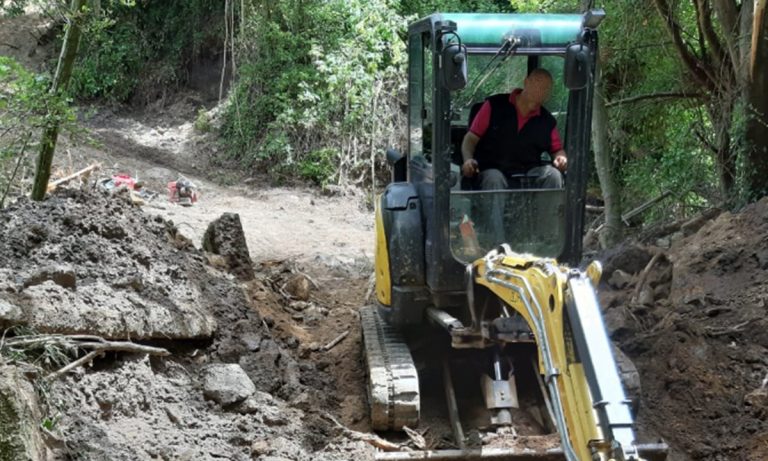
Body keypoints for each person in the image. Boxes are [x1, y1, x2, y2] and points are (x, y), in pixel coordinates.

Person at [460, 68, 567, 190]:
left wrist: (561, 158)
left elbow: (557, 150)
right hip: (491, 174)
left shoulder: (547, 121)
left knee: (553, 175)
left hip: (528, 177)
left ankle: (547, 210)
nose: (540, 89)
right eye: (537, 82)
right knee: (494, 178)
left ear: (548, 94)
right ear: (526, 82)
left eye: (545, 88)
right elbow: (470, 139)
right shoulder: (494, 105)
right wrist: (468, 160)